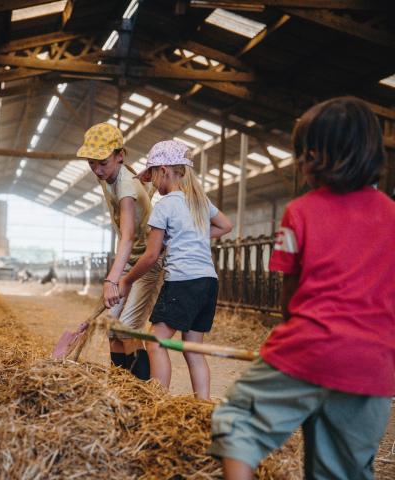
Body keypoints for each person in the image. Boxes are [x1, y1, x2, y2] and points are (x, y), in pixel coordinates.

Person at [209, 97, 395, 480]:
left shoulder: (301, 212)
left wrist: (288, 342)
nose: (300, 163)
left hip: (309, 349)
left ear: (324, 156)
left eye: (306, 153)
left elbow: (291, 299)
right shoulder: (392, 216)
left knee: (237, 422)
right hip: (373, 367)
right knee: (341, 471)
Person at [118, 140, 232, 397]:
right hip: (208, 282)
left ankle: (159, 401)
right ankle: (202, 406)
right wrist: (194, 235)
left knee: (156, 340)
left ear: (164, 171)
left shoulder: (165, 205)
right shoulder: (199, 201)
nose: (153, 184)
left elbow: (150, 256)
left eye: (153, 176)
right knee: (194, 349)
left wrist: (126, 280)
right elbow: (226, 225)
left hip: (183, 281)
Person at [76, 123, 163, 380]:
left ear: (120, 155)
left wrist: (111, 280)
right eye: (92, 163)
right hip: (130, 259)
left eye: (102, 162)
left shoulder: (125, 186)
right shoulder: (110, 176)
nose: (97, 170)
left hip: (148, 262)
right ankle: (119, 387)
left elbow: (128, 236)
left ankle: (142, 391)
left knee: (128, 329)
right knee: (112, 328)